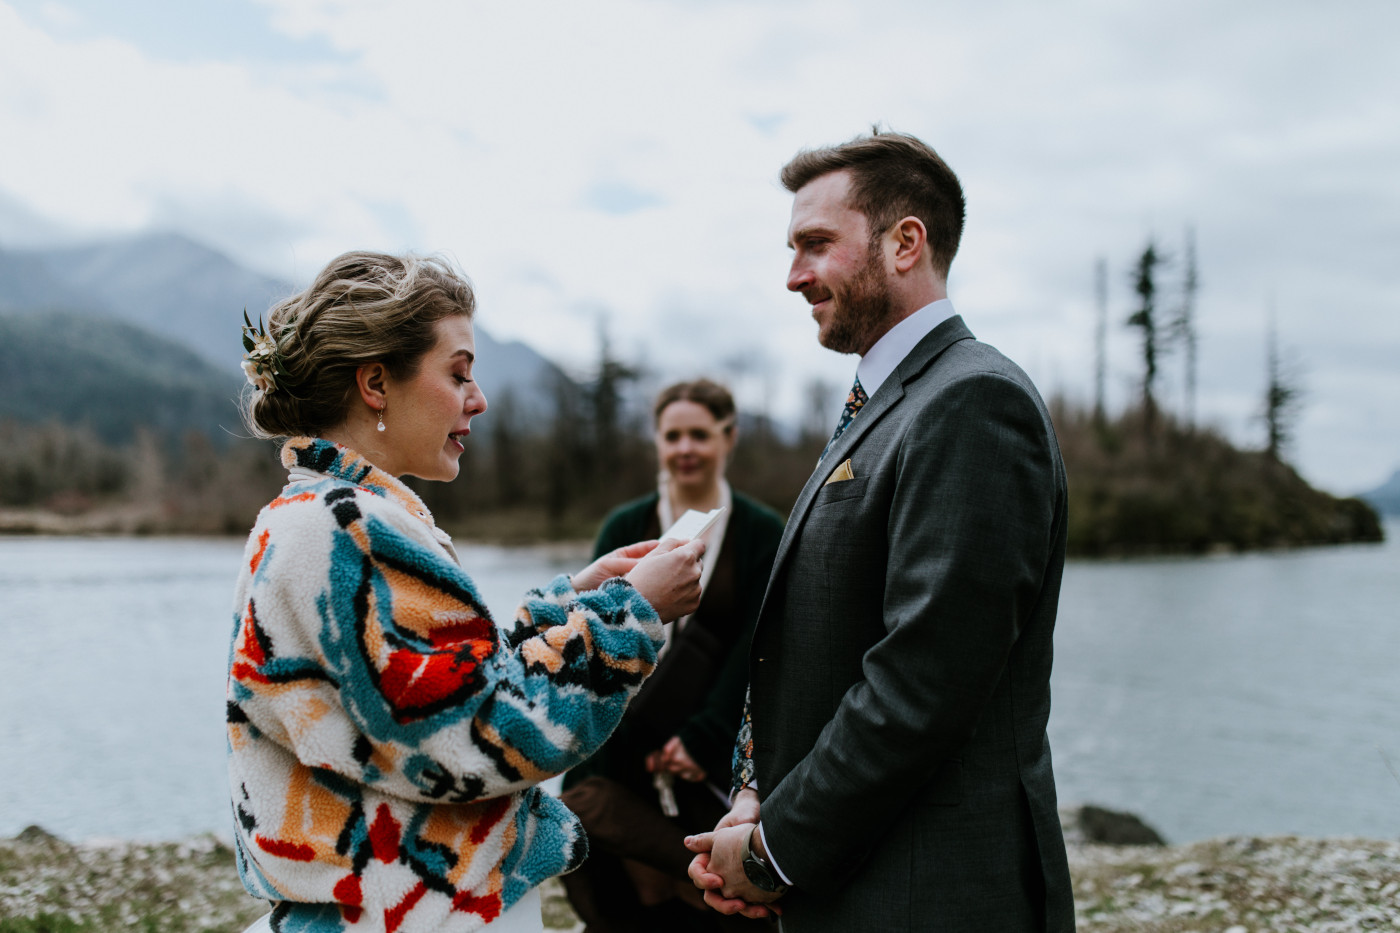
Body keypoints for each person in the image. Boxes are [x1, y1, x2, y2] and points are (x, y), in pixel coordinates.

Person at [227, 251, 706, 933]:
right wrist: (632, 615)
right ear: (375, 383)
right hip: (420, 914)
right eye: (458, 373)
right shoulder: (352, 527)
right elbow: (480, 738)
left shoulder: (317, 516)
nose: (477, 398)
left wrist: (569, 602)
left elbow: (422, 692)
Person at [685, 131, 1076, 931]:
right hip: (859, 882)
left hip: (933, 896)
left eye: (816, 245)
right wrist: (754, 796)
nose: (794, 276)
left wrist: (773, 853)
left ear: (905, 243)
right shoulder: (886, 403)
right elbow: (811, 641)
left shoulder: (974, 404)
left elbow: (924, 681)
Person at [559, 380, 784, 931]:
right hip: (621, 742)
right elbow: (591, 636)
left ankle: (717, 880)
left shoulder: (761, 533)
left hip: (719, 749)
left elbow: (762, 647)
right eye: (673, 435)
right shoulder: (625, 526)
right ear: (657, 442)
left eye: (700, 435)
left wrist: (705, 738)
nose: (686, 448)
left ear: (728, 438)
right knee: (599, 850)